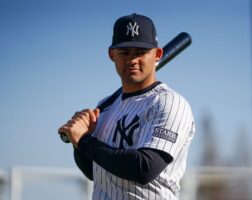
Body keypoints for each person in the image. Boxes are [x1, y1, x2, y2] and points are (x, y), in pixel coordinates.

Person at [58, 13, 195, 200]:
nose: (132, 60)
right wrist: (79, 143)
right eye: (125, 52)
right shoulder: (106, 107)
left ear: (158, 54)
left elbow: (144, 168)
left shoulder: (169, 103)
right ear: (111, 55)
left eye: (140, 52)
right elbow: (95, 171)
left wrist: (85, 141)